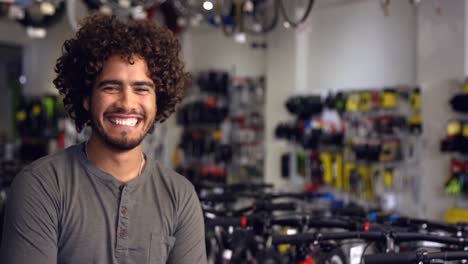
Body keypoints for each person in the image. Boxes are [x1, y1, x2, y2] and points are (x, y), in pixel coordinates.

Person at [0, 14, 206, 264]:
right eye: (110, 87)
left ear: (157, 100)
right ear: (86, 97)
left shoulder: (180, 196)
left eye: (141, 89)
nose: (127, 103)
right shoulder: (41, 187)